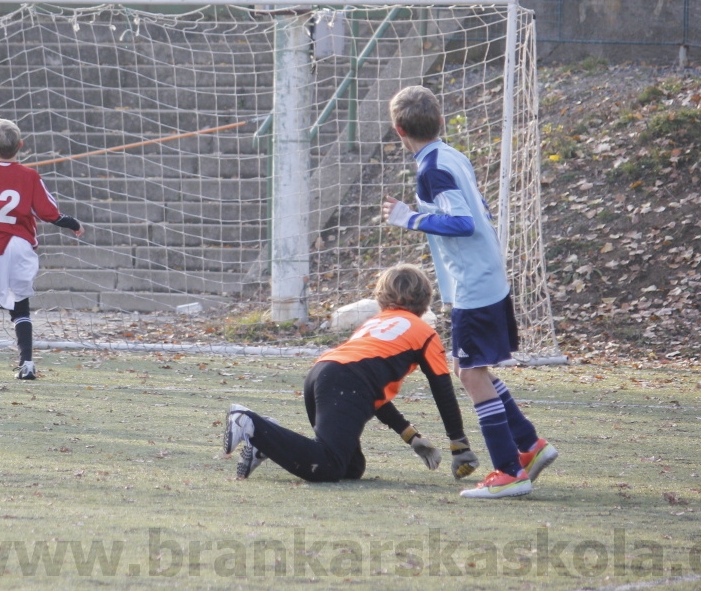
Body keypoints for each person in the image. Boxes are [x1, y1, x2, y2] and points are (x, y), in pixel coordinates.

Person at [382, 85, 558, 498]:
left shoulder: (431, 170)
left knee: (472, 374)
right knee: (467, 369)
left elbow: (463, 222)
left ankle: (509, 471)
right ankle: (529, 445)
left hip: (475, 282)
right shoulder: (449, 155)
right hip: (483, 273)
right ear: (441, 121)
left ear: (399, 130)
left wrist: (409, 218)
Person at [222, 263, 479, 484]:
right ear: (426, 298)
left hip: (323, 374)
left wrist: (409, 435)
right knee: (329, 466)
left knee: (350, 468)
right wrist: (460, 446)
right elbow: (443, 391)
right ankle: (249, 422)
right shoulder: (425, 333)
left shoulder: (373, 323)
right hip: (343, 382)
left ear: (381, 297)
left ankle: (265, 440)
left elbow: (369, 391)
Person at [0, 116, 83, 380]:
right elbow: (48, 212)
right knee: (20, 308)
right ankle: (27, 365)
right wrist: (72, 223)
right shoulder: (30, 176)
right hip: (20, 245)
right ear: (21, 145)